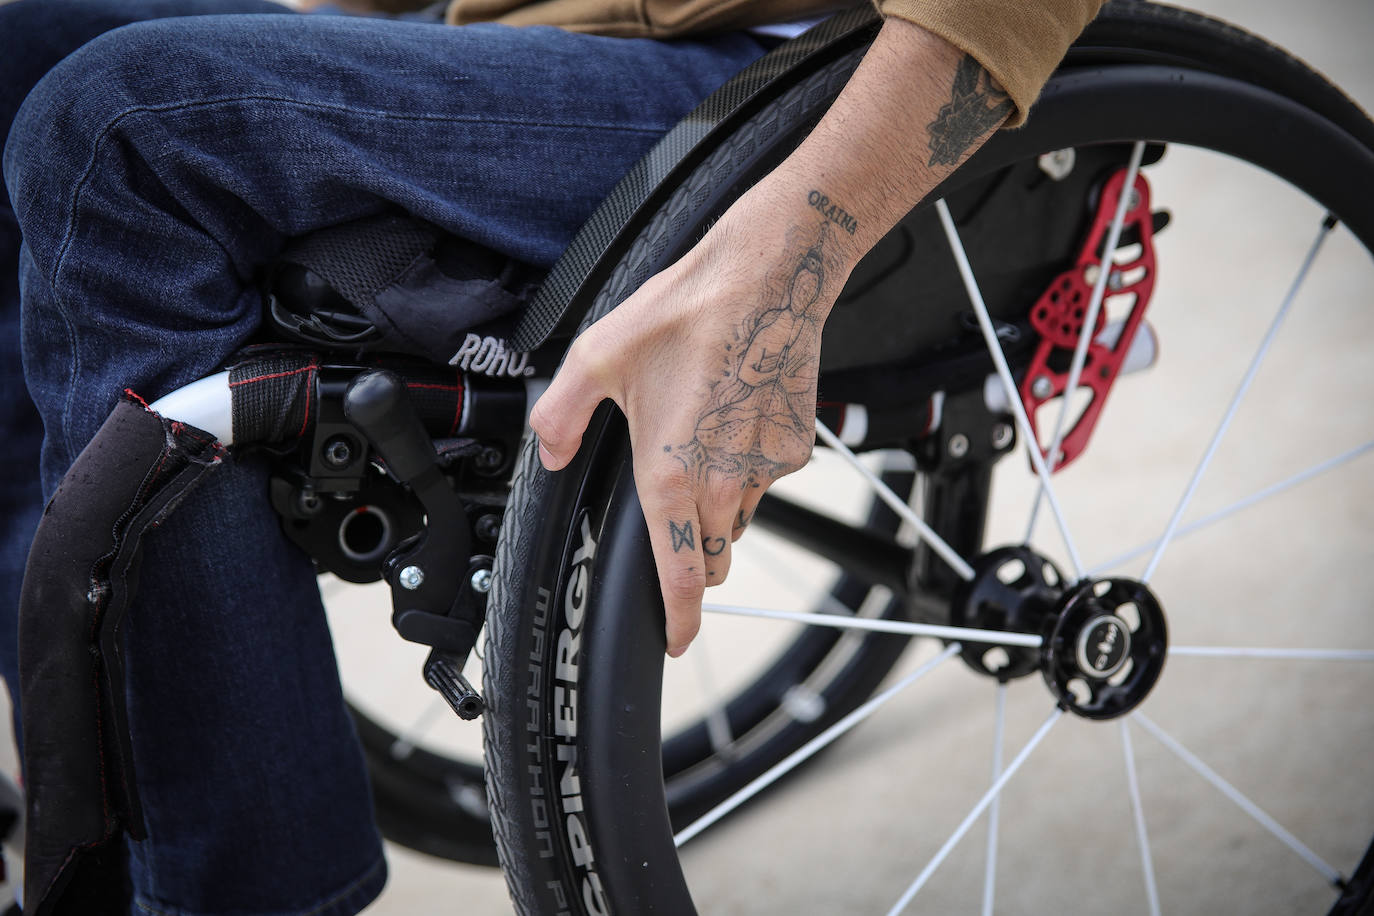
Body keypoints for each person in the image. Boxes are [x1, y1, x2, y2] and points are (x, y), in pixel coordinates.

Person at [1, 0, 1103, 911]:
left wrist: (788, 265)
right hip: (532, 28)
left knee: (116, 136)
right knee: (23, 49)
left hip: (796, 74)